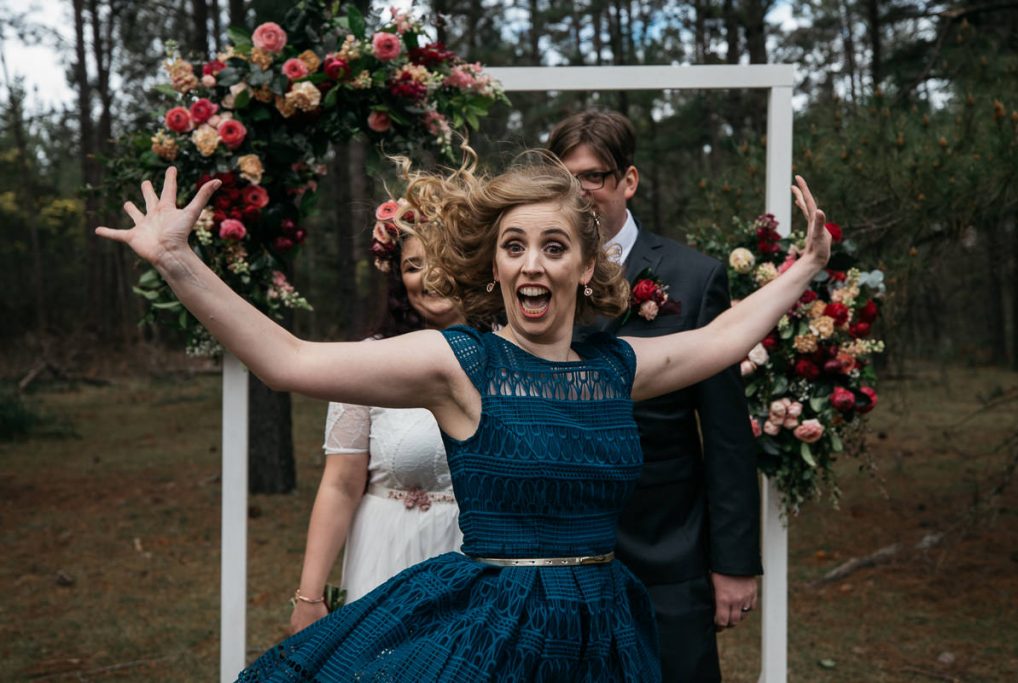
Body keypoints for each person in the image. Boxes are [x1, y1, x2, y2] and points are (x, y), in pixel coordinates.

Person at [96, 153, 829, 681]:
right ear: (496, 267)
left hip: (604, 630)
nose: (532, 264)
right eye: (515, 247)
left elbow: (722, 338)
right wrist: (177, 261)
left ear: (584, 266)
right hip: (498, 634)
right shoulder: (460, 365)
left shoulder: (615, 369)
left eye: (553, 247)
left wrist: (805, 267)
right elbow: (287, 360)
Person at [548, 110, 761, 681]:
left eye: (593, 176)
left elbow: (726, 435)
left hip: (666, 548)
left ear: (629, 180)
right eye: (565, 179)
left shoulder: (693, 277)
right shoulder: (532, 272)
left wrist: (734, 562)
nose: (579, 192)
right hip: (558, 550)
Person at [290, 228, 466, 634]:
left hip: (475, 555)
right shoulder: (367, 361)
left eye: (442, 258)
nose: (428, 275)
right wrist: (309, 596)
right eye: (413, 266)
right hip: (389, 551)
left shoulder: (511, 355)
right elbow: (340, 485)